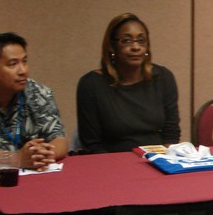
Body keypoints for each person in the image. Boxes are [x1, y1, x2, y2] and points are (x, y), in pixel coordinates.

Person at [76, 13, 180, 153]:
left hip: (156, 159)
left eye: (141, 40)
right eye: (126, 41)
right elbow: (92, 145)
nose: (136, 47)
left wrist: (165, 161)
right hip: (110, 161)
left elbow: (171, 134)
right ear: (111, 46)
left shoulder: (163, 78)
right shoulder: (91, 85)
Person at [0, 32, 68, 169]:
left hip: (34, 173)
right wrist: (16, 159)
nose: (23, 71)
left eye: (24, 61)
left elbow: (59, 139)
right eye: (13, 64)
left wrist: (44, 154)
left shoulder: (38, 93)